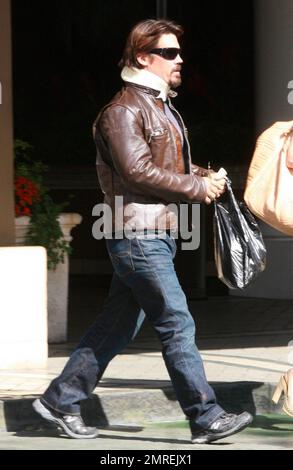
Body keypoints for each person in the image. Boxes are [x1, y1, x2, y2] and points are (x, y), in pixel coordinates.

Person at [33, 18, 252, 443]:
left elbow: (163, 167)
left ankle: (60, 400)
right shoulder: (123, 111)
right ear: (141, 57)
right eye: (169, 53)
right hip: (137, 235)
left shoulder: (160, 106)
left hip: (155, 233)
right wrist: (194, 186)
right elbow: (136, 171)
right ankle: (205, 416)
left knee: (117, 326)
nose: (179, 59)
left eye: (178, 52)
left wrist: (205, 176)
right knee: (176, 321)